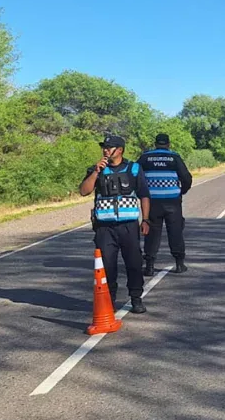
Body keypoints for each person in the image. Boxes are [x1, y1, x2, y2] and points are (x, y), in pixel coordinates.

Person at [79, 134, 151, 314]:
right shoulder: (97, 169)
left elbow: (144, 195)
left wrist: (146, 219)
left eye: (109, 147)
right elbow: (83, 191)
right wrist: (96, 172)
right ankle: (109, 299)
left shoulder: (134, 168)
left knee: (134, 263)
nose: (105, 150)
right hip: (105, 228)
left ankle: (136, 298)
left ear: (119, 150)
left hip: (129, 226)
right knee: (107, 265)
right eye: (103, 147)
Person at [139, 133, 193, 275]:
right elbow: (186, 177)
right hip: (172, 201)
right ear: (168, 144)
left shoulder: (145, 157)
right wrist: (182, 191)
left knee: (152, 233)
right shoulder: (174, 157)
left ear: (155, 143)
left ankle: (149, 266)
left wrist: (141, 193)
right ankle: (179, 264)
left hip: (152, 202)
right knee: (175, 231)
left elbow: (136, 176)